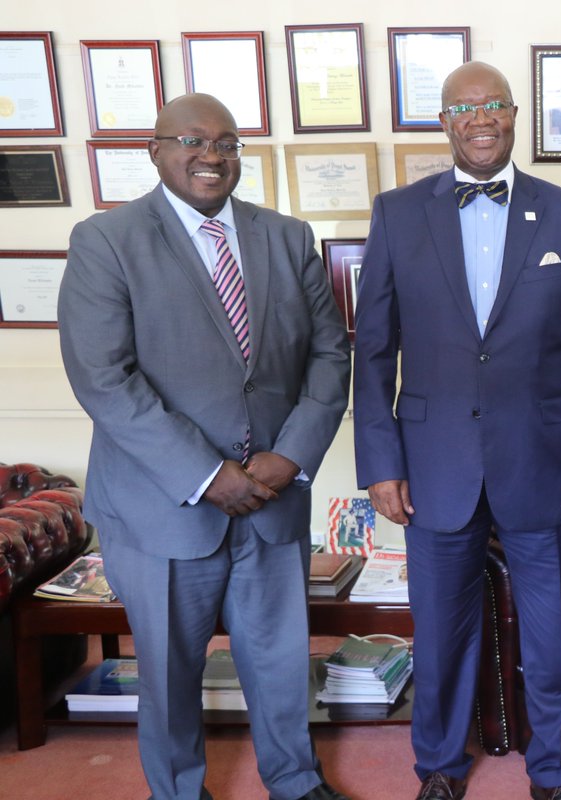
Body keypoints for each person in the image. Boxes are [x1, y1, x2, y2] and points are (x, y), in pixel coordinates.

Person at [58, 94, 352, 800]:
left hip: (274, 497)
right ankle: (181, 791)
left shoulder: (286, 237)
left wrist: (292, 456)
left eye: (227, 143)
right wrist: (205, 472)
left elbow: (329, 356)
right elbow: (103, 378)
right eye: (192, 140)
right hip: (164, 506)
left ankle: (296, 781)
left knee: (282, 663)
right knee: (168, 671)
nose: (212, 156)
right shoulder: (107, 241)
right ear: (154, 150)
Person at [353, 61, 561, 800]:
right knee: (439, 638)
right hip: (433, 465)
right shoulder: (398, 214)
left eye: (494, 105)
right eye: (464, 108)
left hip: (542, 461)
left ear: (513, 116)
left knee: (554, 636)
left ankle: (555, 773)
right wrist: (380, 461)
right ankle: (439, 766)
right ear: (443, 122)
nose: (480, 119)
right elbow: (373, 350)